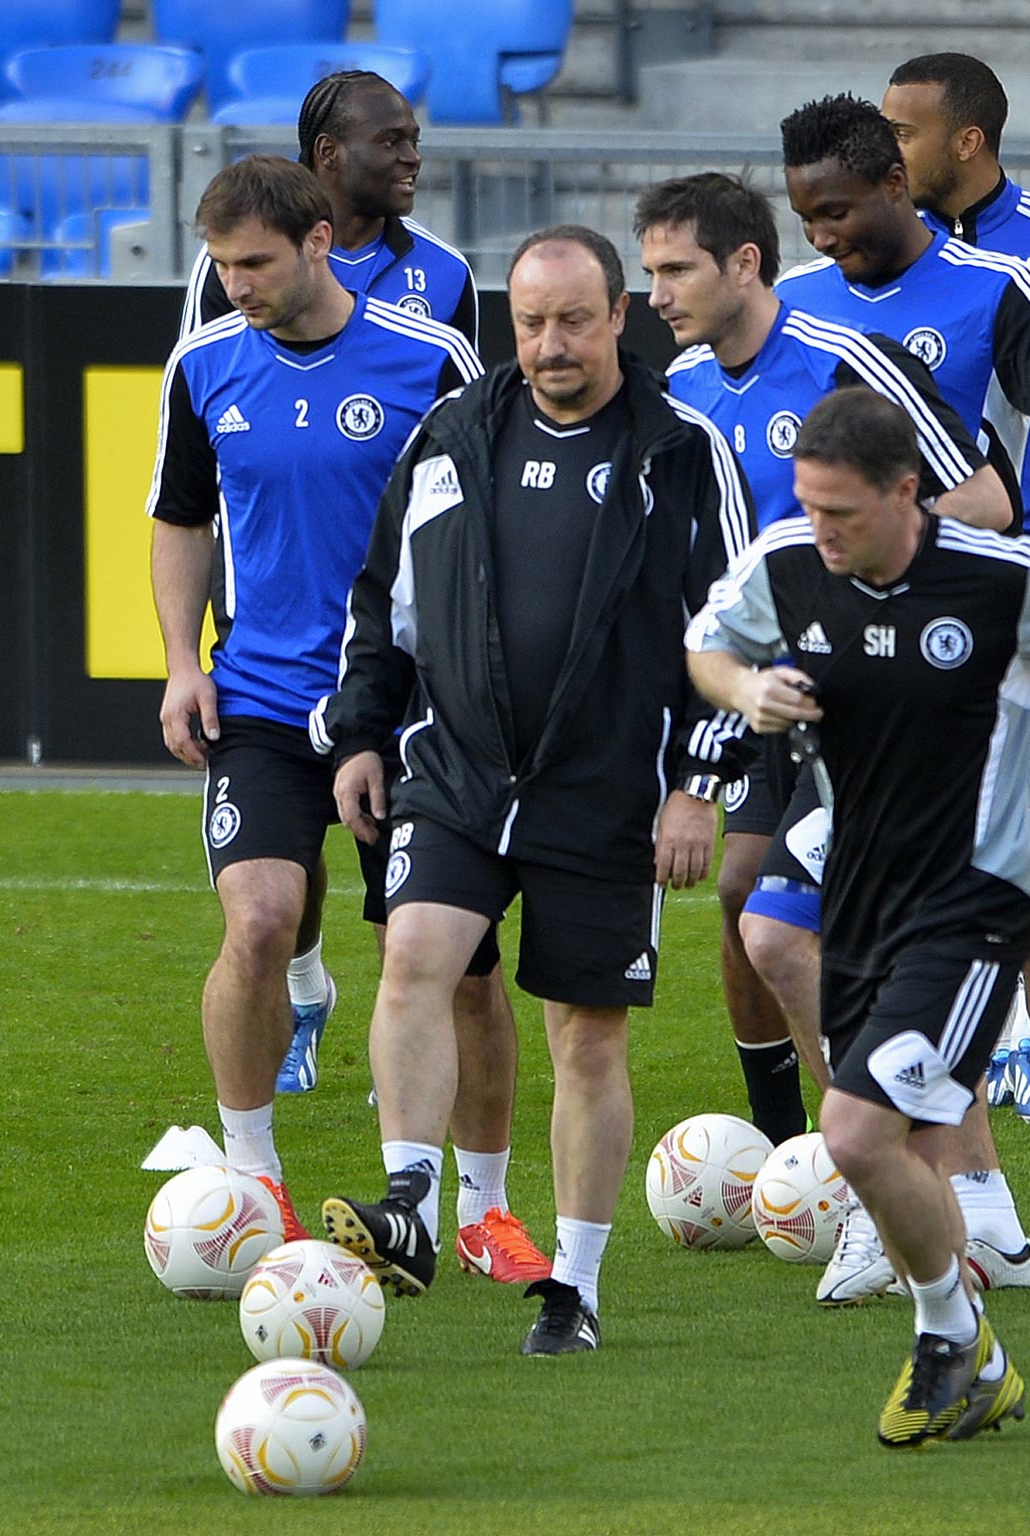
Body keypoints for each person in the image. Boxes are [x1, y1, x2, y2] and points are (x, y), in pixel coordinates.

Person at [314, 225, 750, 1353]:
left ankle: (575, 1285)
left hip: (607, 791)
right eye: (526, 322)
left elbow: (741, 629)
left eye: (570, 320)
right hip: (457, 767)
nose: (547, 345)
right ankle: (409, 1204)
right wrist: (362, 734)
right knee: (416, 954)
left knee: (584, 1040)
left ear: (618, 317)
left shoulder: (680, 448)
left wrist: (697, 785)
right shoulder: (454, 432)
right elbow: (384, 599)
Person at [684, 386, 1030, 1445]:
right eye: (807, 506)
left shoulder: (1002, 580)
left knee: (856, 1129)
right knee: (881, 1128)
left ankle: (948, 1335)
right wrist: (745, 694)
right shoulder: (786, 560)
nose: (818, 531)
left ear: (904, 492)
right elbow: (705, 644)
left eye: (839, 512)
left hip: (973, 900)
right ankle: (966, 1320)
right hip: (859, 886)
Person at [772, 92, 1030, 1294]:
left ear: (896, 188)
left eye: (837, 211)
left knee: (1029, 919)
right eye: (802, 214)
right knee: (779, 914)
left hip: (978, 655)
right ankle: (904, 1179)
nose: (820, 235)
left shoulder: (995, 286)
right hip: (821, 663)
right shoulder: (796, 315)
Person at [635, 170, 1010, 1153]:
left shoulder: (846, 361)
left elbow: (983, 502)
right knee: (744, 908)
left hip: (867, 692)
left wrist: (840, 587)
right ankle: (792, 1146)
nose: (657, 295)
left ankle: (914, 1170)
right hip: (751, 696)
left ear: (744, 263)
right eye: (649, 273)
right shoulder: (674, 393)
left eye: (674, 270)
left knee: (813, 927)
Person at [149, 155, 482, 1245]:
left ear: (317, 246)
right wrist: (179, 663)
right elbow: (181, 519)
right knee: (255, 924)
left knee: (448, 970)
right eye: (221, 265)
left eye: (254, 263)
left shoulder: (430, 362)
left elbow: (481, 534)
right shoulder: (202, 366)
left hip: (405, 711)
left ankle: (472, 1206)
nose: (235, 284)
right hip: (256, 696)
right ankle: (253, 1181)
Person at [883, 51, 1030, 1254]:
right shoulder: (876, 269)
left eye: (904, 133)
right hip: (908, 610)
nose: (890, 153)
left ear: (964, 141)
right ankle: (896, 1164)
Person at [182, 70, 476, 341]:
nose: (413, 158)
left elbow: (461, 396)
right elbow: (202, 376)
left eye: (414, 141)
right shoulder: (239, 259)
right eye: (390, 142)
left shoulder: (447, 269)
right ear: (328, 152)